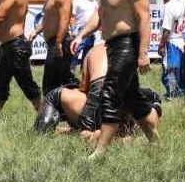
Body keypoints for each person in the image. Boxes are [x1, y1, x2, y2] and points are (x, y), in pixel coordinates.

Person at [71, 0, 159, 158]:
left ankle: (100, 152)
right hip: (112, 46)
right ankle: (156, 142)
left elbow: (144, 18)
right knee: (132, 99)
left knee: (109, 94)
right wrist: (81, 36)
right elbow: (100, 16)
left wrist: (143, 53)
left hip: (128, 45)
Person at [34, 40, 162, 138]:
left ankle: (50, 130)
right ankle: (130, 129)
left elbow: (84, 87)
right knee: (152, 95)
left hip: (96, 98)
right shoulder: (128, 50)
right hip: (123, 102)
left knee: (59, 97)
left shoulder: (94, 51)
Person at [33, 0, 78, 94]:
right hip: (55, 42)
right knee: (66, 82)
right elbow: (48, 20)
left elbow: (65, 20)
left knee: (50, 85)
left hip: (60, 42)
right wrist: (36, 31)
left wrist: (58, 43)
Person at [156, 0, 185, 99]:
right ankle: (179, 92)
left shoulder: (169, 7)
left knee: (171, 69)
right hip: (180, 41)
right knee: (178, 68)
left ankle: (172, 93)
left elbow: (167, 30)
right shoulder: (180, 5)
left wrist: (161, 45)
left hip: (171, 42)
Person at [70, 0, 99, 69]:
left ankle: (84, 70)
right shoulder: (76, 1)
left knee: (88, 52)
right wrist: (73, 30)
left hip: (91, 31)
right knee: (76, 51)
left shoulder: (93, 1)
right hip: (80, 29)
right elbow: (72, 16)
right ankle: (71, 70)